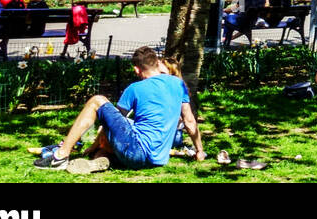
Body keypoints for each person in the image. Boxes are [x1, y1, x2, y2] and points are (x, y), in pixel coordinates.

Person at [35, 46, 203, 171]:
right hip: (159, 159)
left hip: (136, 153)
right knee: (129, 124)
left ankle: (61, 156)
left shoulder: (135, 88)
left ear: (136, 69)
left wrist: (94, 144)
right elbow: (189, 121)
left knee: (97, 101)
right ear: (157, 63)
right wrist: (199, 151)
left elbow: (111, 124)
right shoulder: (178, 84)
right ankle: (102, 159)